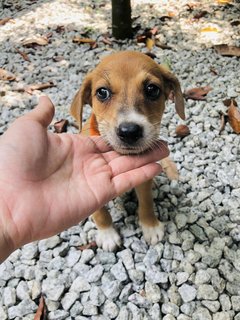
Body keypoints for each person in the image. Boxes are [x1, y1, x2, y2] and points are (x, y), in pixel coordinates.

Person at [0, 96, 169, 262]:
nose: (128, 123)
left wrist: (148, 215)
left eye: (151, 90)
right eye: (103, 93)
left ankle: (146, 215)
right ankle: (103, 223)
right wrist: (104, 225)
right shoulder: (88, 140)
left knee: (143, 170)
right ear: (86, 98)